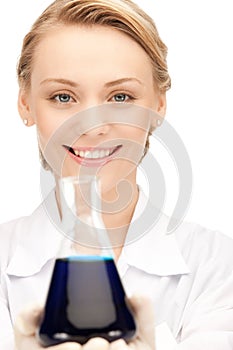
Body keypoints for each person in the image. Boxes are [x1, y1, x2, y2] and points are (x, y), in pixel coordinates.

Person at [1, 0, 233, 349]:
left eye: (120, 96)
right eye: (63, 97)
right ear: (26, 103)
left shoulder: (216, 263)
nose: (91, 125)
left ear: (158, 105)